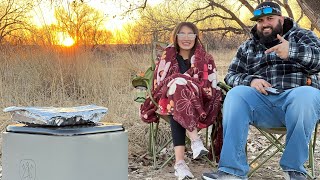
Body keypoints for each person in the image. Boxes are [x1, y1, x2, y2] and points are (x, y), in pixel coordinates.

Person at [202, 1, 320, 180]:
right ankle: (232, 171)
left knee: (308, 94)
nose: (265, 24)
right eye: (260, 21)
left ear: (281, 19)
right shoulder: (248, 46)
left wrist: (292, 51)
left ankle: (294, 169)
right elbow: (231, 75)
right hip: (262, 103)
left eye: (270, 18)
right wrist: (251, 80)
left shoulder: (303, 36)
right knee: (235, 95)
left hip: (296, 102)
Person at [140, 22, 222, 180]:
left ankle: (180, 164)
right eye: (182, 34)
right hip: (168, 100)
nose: (186, 38)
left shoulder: (205, 58)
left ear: (196, 37)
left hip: (198, 103)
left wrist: (183, 82)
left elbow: (209, 86)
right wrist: (178, 81)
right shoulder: (167, 56)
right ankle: (195, 141)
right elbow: (158, 83)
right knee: (176, 90)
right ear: (175, 37)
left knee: (177, 94)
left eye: (190, 34)